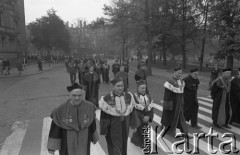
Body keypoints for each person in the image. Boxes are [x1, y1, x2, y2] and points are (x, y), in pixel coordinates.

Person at [47, 83, 99, 155]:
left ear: (83, 95)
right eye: (74, 95)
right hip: (67, 142)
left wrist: (94, 136)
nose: (77, 98)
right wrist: (52, 147)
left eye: (79, 95)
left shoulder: (89, 107)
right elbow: (55, 129)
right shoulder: (60, 110)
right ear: (70, 95)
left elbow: (92, 122)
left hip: (84, 139)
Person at [98, 77, 140, 155]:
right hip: (112, 127)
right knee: (114, 146)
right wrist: (104, 130)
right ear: (113, 86)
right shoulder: (107, 98)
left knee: (124, 142)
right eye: (118, 86)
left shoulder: (128, 96)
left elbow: (133, 111)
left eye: (122, 85)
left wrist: (134, 125)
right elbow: (104, 116)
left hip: (125, 125)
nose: (120, 88)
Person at [161, 67, 192, 137]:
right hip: (171, 103)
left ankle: (185, 132)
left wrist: (182, 101)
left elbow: (181, 93)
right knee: (169, 116)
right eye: (178, 73)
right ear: (174, 72)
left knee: (181, 117)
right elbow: (167, 94)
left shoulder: (182, 81)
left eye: (181, 73)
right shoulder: (170, 81)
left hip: (179, 103)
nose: (180, 74)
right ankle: (167, 129)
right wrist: (168, 104)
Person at [131, 79, 154, 148]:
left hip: (146, 117)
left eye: (145, 88)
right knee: (141, 130)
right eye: (142, 88)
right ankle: (143, 144)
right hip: (138, 117)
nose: (144, 89)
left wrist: (149, 116)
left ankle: (138, 141)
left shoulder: (148, 96)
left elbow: (151, 107)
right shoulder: (134, 97)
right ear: (137, 88)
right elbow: (135, 109)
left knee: (143, 130)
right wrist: (142, 118)